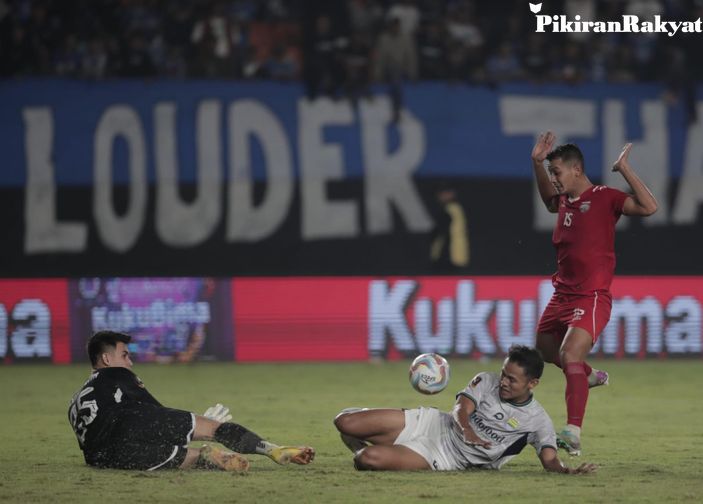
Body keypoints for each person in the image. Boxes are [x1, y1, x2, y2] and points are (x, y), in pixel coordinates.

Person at [530, 132, 658, 456]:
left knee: (570, 355)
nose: (554, 179)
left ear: (576, 169)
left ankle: (572, 432)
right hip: (562, 295)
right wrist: (537, 163)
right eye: (551, 174)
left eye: (556, 172)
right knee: (545, 349)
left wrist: (623, 168)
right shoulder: (564, 203)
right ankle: (587, 376)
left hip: (592, 296)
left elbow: (649, 206)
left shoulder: (605, 197)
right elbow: (548, 202)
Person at [68, 330, 315, 471]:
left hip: (103, 460)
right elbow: (155, 412)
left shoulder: (74, 401)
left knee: (192, 457)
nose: (130, 362)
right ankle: (274, 450)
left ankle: (210, 458)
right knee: (212, 428)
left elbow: (94, 438)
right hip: (125, 430)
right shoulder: (117, 374)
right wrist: (200, 425)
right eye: (125, 355)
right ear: (107, 360)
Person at [334, 345, 596, 474]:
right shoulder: (487, 380)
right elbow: (462, 407)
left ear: (533, 383)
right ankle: (367, 427)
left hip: (445, 457)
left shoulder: (538, 421)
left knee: (366, 460)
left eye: (511, 379)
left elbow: (549, 459)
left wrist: (566, 471)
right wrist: (467, 429)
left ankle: (370, 449)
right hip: (434, 423)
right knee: (344, 422)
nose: (503, 381)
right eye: (504, 374)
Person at [430, 182, 470, 271]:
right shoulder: (454, 208)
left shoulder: (451, 209)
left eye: (444, 193)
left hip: (450, 257)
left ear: (451, 194)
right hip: (455, 256)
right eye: (440, 194)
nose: (440, 196)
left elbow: (442, 233)